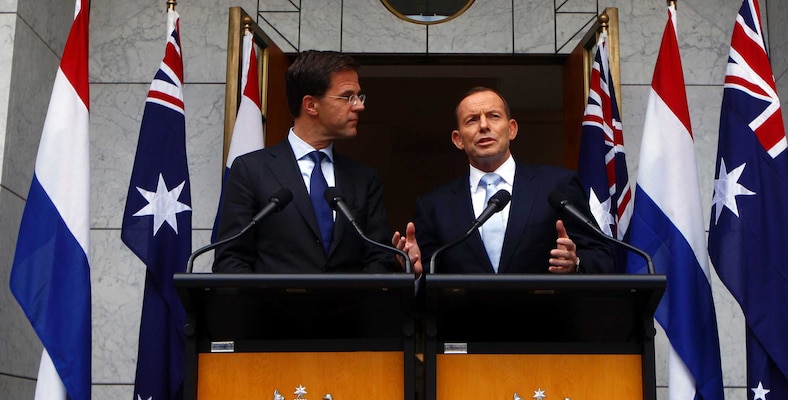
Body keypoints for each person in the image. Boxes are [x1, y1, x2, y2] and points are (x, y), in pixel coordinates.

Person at [213, 50, 419, 274]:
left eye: (359, 96)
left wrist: (400, 263)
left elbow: (377, 257)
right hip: (273, 307)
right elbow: (230, 259)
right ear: (310, 105)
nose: (359, 106)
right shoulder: (251, 170)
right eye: (347, 96)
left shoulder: (364, 178)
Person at [409, 86, 614, 274]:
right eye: (472, 120)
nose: (483, 126)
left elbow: (601, 255)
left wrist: (575, 262)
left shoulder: (557, 186)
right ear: (458, 139)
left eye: (494, 116)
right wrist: (413, 270)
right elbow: (428, 272)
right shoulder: (434, 205)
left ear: (512, 129)